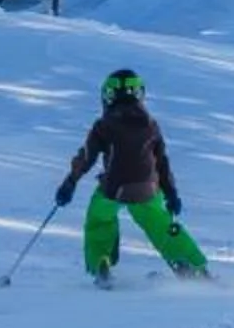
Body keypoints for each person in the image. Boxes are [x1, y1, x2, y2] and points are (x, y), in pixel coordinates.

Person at [54, 69, 209, 285]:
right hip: (147, 188)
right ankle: (191, 265)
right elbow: (162, 162)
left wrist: (70, 183)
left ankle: (101, 260)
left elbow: (86, 158)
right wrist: (171, 194)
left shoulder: (103, 125)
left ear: (108, 96)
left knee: (99, 219)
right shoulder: (151, 125)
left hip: (113, 188)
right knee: (159, 223)